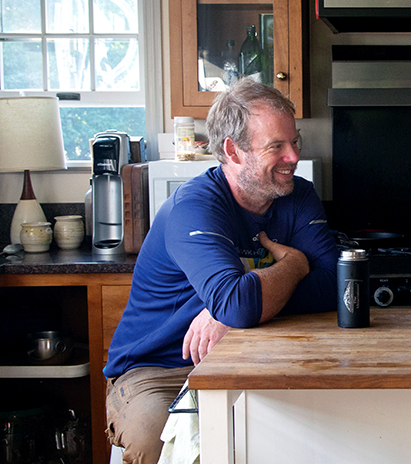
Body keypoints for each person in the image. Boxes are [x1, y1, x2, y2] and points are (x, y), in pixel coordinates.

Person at [103, 80, 339, 464]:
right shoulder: (193, 207)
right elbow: (239, 305)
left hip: (258, 354)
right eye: (276, 146)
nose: (293, 156)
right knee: (154, 444)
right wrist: (295, 265)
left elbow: (333, 285)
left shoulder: (298, 195)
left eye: (295, 142)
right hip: (159, 368)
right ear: (233, 150)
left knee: (304, 438)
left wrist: (235, 310)